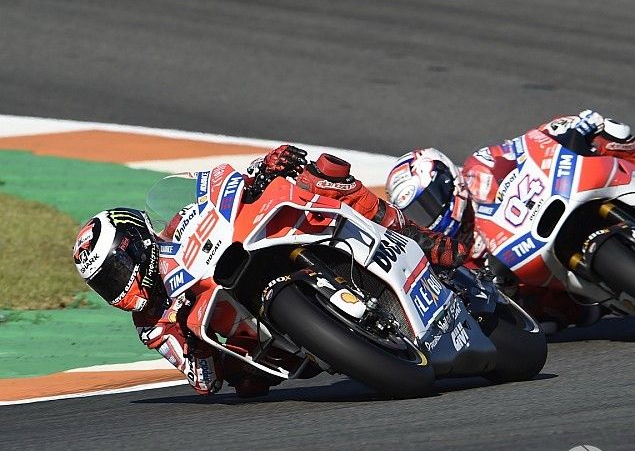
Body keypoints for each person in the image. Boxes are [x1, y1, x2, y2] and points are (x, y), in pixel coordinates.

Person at [73, 145, 466, 397]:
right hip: (252, 342)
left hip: (251, 251)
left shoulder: (175, 227)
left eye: (115, 270)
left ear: (136, 242)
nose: (116, 284)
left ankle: (426, 242)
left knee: (325, 179)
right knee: (246, 386)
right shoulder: (150, 322)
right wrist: (188, 334)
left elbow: (226, 192)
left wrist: (264, 167)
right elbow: (202, 379)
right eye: (104, 281)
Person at [386, 110, 635, 329]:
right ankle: (619, 296)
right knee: (549, 318)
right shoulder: (456, 251)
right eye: (420, 211)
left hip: (564, 200)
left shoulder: (481, 168)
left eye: (430, 201)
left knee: (610, 132)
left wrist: (567, 130)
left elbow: (527, 146)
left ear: (450, 181)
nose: (430, 215)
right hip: (549, 278)